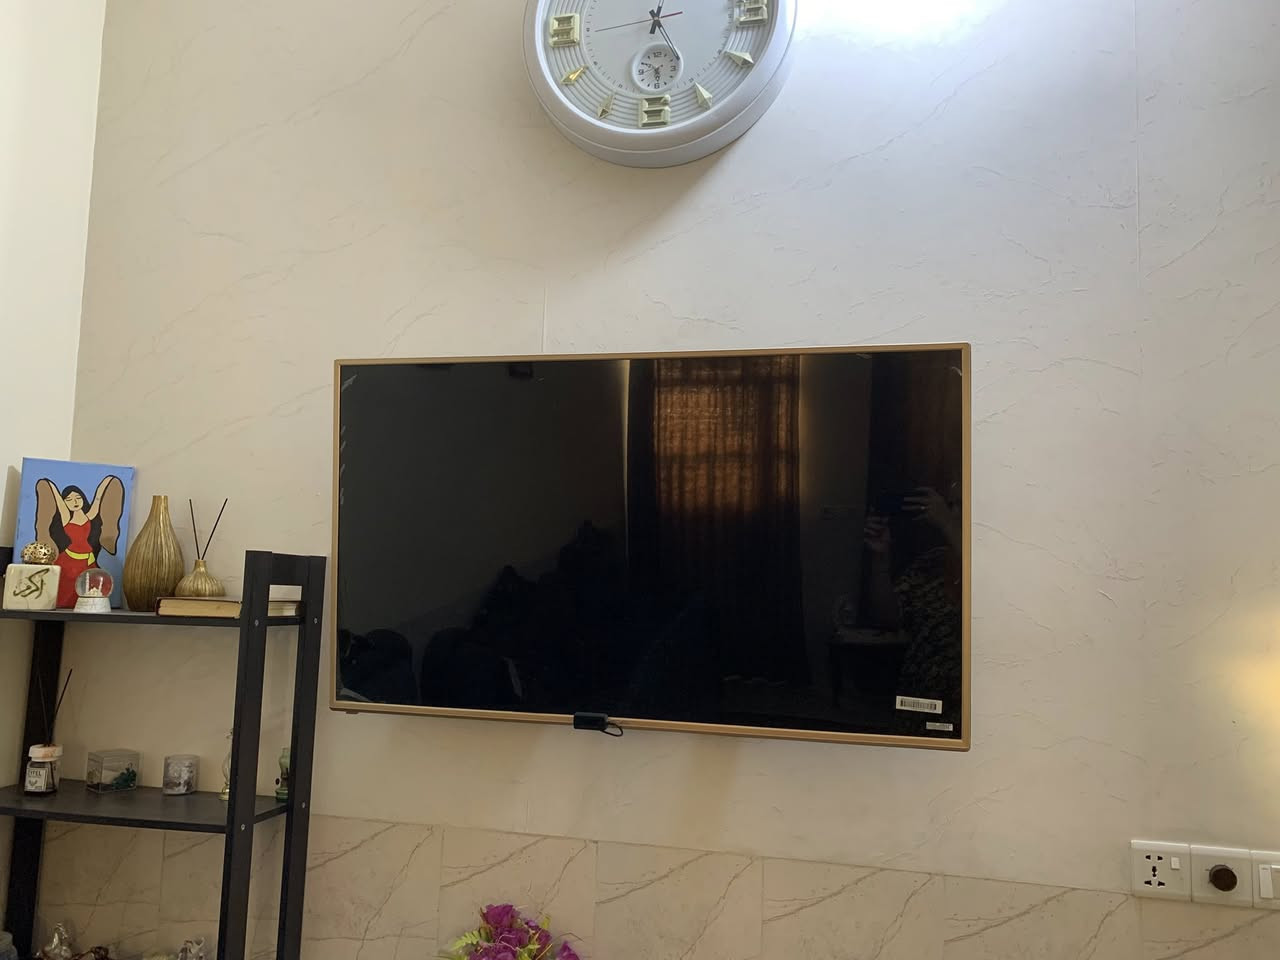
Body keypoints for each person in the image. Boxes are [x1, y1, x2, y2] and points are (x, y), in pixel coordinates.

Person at [863, 485, 962, 732]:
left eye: (962, 505)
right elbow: (887, 618)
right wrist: (880, 558)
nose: (953, 511)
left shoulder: (1000, 566)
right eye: (952, 504)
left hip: (968, 711)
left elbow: (990, 596)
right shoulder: (932, 561)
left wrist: (948, 525)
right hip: (919, 700)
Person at [36, 476, 123, 608]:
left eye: (78, 497)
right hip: (68, 560)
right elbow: (58, 500)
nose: (75, 502)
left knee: (87, 591)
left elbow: (98, 499)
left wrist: (106, 481)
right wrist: (49, 485)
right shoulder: (66, 517)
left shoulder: (89, 516)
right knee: (65, 591)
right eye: (69, 499)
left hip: (87, 561)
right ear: (65, 503)